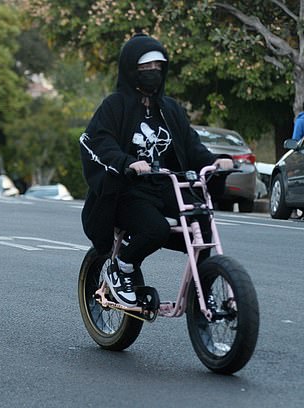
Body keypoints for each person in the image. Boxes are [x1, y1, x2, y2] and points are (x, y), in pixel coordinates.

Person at [79, 34, 233, 307]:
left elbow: (191, 146)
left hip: (164, 187)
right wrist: (127, 163)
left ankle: (203, 289)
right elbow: (98, 142)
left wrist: (216, 162)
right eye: (145, 69)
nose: (153, 74)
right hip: (127, 190)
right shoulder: (115, 106)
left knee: (202, 224)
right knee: (156, 228)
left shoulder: (170, 108)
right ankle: (122, 267)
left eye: (157, 68)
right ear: (131, 70)